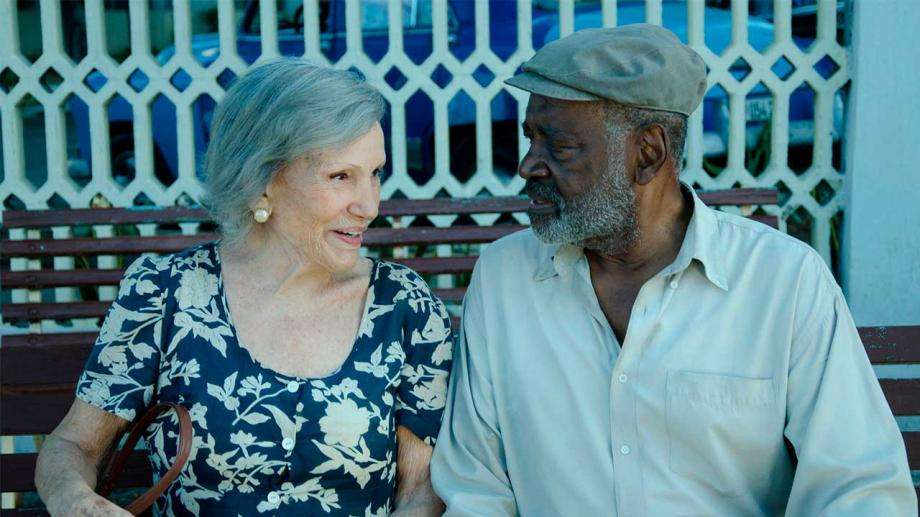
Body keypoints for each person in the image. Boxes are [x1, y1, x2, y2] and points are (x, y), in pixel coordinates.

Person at [430, 24, 915, 515]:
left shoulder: (783, 283)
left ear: (647, 153)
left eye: (560, 147)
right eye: (531, 140)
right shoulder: (503, 281)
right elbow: (477, 489)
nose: (529, 165)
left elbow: (860, 489)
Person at [36, 58, 453, 516]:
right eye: (341, 177)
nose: (369, 205)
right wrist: (73, 499)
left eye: (375, 173)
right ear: (261, 181)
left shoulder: (405, 308)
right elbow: (73, 444)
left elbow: (422, 489)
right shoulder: (167, 293)